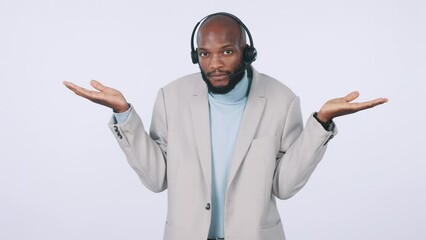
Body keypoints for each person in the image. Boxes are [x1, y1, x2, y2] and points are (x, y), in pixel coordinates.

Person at [64, 12, 387, 240]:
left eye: (227, 52)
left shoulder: (281, 99)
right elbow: (156, 178)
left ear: (247, 53)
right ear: (196, 56)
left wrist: (321, 123)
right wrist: (123, 113)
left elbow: (284, 187)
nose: (214, 63)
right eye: (204, 53)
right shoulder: (171, 96)